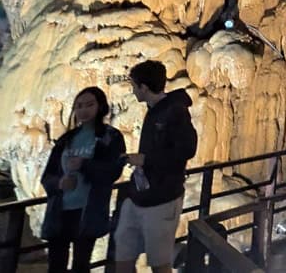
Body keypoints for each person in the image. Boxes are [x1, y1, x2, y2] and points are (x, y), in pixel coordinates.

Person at [114, 61, 198, 273]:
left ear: (144, 87)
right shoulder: (154, 111)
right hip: (139, 196)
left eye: (134, 86)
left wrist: (145, 160)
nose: (133, 91)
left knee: (159, 263)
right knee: (123, 253)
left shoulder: (175, 111)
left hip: (162, 198)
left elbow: (187, 150)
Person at [39, 87, 126, 273]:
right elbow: (48, 176)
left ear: (100, 106)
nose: (83, 110)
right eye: (79, 106)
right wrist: (59, 183)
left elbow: (112, 171)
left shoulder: (111, 137)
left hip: (88, 211)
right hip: (60, 211)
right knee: (55, 266)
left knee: (81, 265)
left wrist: (85, 165)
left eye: (89, 105)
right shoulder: (66, 139)